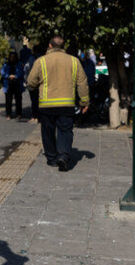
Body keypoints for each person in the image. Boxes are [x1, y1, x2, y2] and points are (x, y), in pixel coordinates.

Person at [26, 35, 89, 171]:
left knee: (47, 131)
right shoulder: (74, 61)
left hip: (47, 105)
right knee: (65, 131)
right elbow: (82, 82)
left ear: (49, 46)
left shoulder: (41, 61)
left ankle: (52, 158)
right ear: (63, 46)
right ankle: (63, 156)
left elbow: (31, 82)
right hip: (67, 104)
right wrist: (84, 101)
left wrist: (33, 88)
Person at [0, 51, 24, 119]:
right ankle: (8, 114)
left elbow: (21, 72)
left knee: (18, 99)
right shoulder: (6, 64)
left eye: (14, 57)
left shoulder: (19, 64)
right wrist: (8, 76)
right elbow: (2, 72)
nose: (12, 58)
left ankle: (19, 113)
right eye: (11, 57)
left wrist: (15, 76)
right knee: (8, 100)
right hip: (8, 84)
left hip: (17, 83)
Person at [20, 39, 39, 121]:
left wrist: (26, 81)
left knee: (34, 100)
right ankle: (38, 116)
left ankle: (35, 116)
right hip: (40, 83)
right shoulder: (43, 58)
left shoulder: (31, 58)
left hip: (32, 82)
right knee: (37, 100)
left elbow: (26, 69)